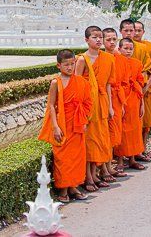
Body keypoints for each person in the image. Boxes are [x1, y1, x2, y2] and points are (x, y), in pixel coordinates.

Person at [38, 49, 93, 203]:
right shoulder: (56, 82)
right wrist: (55, 127)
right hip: (62, 124)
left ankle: (74, 187)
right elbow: (51, 107)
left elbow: (88, 103)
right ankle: (63, 189)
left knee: (77, 157)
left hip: (77, 124)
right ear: (58, 65)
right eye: (66, 64)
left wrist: (84, 121)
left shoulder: (81, 81)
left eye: (72, 64)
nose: (70, 67)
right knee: (63, 158)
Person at [76, 26, 115, 192]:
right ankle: (88, 177)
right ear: (86, 40)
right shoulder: (82, 60)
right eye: (94, 37)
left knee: (99, 140)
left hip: (102, 103)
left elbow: (107, 84)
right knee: (88, 142)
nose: (98, 40)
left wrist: (110, 106)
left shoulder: (107, 58)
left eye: (100, 37)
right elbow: (76, 86)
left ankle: (95, 173)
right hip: (87, 105)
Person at [120, 19, 151, 161]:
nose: (129, 33)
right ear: (121, 31)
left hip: (138, 92)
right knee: (122, 127)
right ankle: (120, 157)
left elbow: (150, 70)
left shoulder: (141, 49)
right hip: (121, 95)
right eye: (126, 30)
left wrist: (144, 89)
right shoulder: (116, 51)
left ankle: (138, 152)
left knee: (140, 125)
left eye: (131, 30)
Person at [113, 38, 147, 170]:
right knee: (122, 129)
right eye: (125, 48)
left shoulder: (137, 63)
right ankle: (120, 160)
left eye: (130, 49)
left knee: (135, 129)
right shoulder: (115, 61)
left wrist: (142, 104)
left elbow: (140, 83)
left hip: (134, 97)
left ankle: (132, 159)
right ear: (119, 49)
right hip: (121, 96)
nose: (128, 51)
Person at [102, 28, 127, 177]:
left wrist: (122, 104)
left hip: (117, 97)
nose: (112, 42)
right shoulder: (101, 57)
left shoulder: (120, 58)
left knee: (114, 133)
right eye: (108, 39)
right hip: (105, 98)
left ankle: (110, 165)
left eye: (114, 39)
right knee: (105, 134)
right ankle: (104, 168)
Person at [134, 21, 151, 161]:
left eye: (139, 30)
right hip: (131, 90)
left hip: (146, 89)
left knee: (146, 123)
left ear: (143, 32)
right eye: (134, 30)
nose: (136, 33)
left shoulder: (149, 46)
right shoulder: (125, 46)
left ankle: (142, 148)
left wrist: (147, 87)